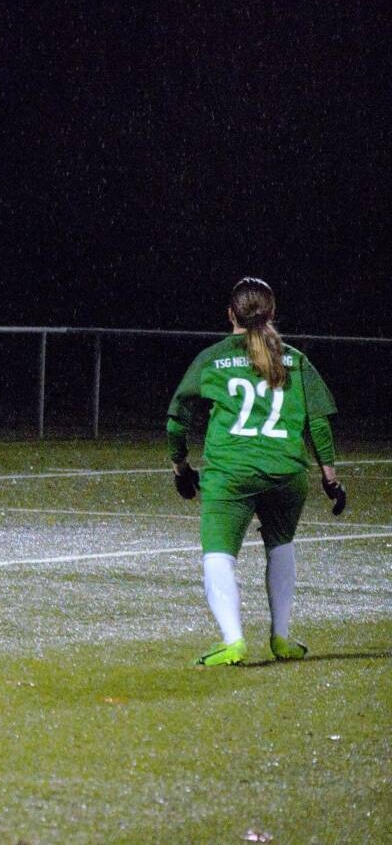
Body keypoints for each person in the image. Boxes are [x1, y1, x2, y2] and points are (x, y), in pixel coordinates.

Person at [166, 277, 345, 666]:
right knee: (281, 546)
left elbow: (177, 420)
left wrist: (181, 467)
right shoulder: (295, 359)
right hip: (286, 473)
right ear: (272, 313)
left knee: (218, 553)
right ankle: (281, 637)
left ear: (230, 314)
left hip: (232, 474)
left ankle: (233, 641)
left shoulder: (212, 358)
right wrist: (330, 477)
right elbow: (318, 423)